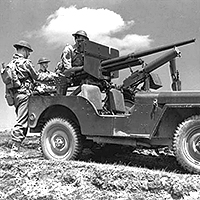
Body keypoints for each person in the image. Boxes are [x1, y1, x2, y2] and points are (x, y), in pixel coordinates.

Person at [8, 40, 55, 154]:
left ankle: (16, 146)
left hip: (15, 96)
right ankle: (14, 149)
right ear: (23, 50)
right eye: (28, 52)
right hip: (24, 95)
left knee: (22, 118)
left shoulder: (11, 64)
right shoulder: (25, 63)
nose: (29, 54)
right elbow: (37, 76)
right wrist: (53, 76)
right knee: (22, 122)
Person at [55, 30, 89, 94]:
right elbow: (67, 70)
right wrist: (83, 68)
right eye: (79, 41)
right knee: (61, 99)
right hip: (64, 76)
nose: (80, 43)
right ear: (75, 40)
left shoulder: (85, 52)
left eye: (83, 41)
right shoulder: (69, 50)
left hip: (77, 76)